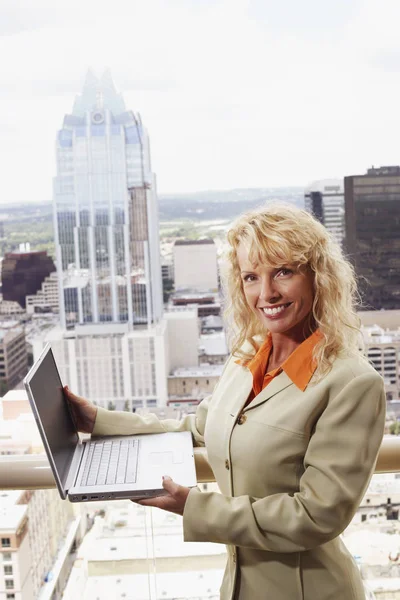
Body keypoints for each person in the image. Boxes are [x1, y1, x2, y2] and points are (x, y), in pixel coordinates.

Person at [66, 204, 386, 600]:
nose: (266, 293)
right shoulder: (248, 356)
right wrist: (97, 419)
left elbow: (317, 514)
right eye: (252, 277)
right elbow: (199, 430)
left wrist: (195, 507)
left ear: (317, 276)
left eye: (283, 271)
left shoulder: (351, 383)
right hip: (236, 588)